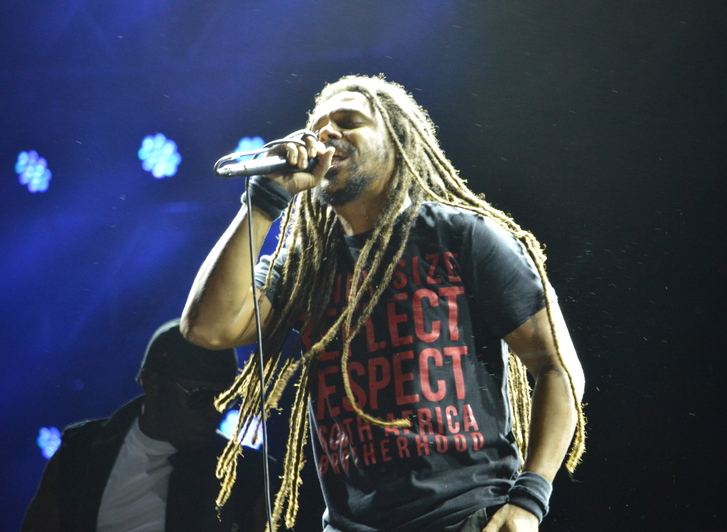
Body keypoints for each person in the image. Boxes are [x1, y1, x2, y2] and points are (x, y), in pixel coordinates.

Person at [181, 75, 586, 532]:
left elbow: (556, 366)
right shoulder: (305, 265)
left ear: (396, 141)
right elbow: (207, 328)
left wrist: (529, 501)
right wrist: (263, 200)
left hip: (466, 516)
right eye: (318, 126)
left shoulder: (461, 237)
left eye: (349, 121)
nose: (326, 133)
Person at [22, 319, 267, 532]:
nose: (214, 412)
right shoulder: (80, 451)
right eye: (199, 396)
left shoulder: (247, 475)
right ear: (152, 382)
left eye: (224, 400)